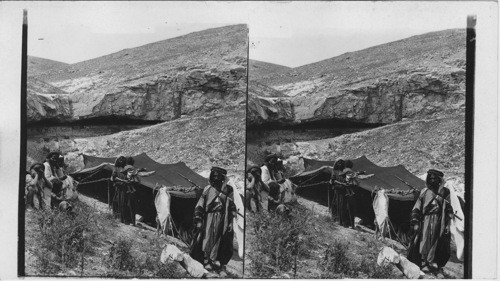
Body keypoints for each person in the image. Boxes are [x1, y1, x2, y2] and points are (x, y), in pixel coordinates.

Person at [190, 167, 236, 272]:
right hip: (209, 218)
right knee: (207, 238)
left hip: (222, 219)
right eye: (214, 175)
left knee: (219, 239)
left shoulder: (228, 190)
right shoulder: (208, 189)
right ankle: (206, 261)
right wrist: (199, 219)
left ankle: (214, 260)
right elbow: (201, 204)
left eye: (218, 176)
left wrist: (231, 221)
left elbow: (232, 205)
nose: (216, 178)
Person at [407, 169, 453, 272]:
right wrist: (415, 220)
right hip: (426, 220)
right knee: (424, 240)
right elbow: (417, 206)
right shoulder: (424, 191)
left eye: (435, 178)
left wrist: (448, 224)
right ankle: (423, 262)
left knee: (436, 241)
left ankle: (432, 262)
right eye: (430, 178)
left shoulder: (445, 192)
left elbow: (449, 208)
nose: (432, 180)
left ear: (439, 180)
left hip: (439, 221)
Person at [110, 156, 128, 221]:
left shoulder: (125, 170)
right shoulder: (116, 168)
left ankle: (121, 218)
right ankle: (116, 216)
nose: (121, 162)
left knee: (121, 202)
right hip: (118, 188)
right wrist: (122, 180)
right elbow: (113, 177)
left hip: (123, 188)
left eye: (122, 161)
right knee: (116, 201)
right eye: (120, 160)